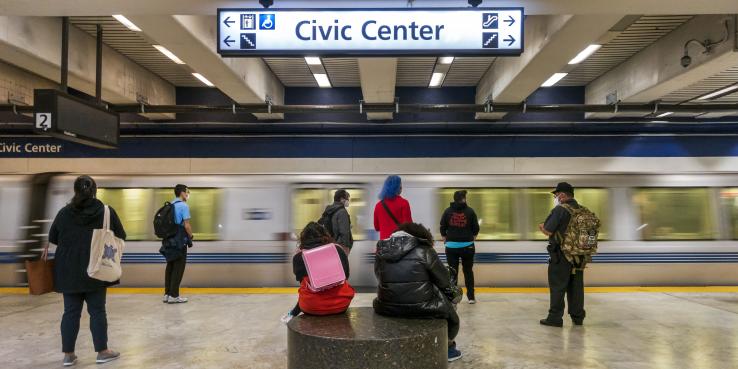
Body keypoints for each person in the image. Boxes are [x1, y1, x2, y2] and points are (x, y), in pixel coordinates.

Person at [45, 175, 125, 366]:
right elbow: (121, 235)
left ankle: (68, 355)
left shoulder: (64, 212)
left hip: (69, 270)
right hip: (96, 269)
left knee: (70, 312)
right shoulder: (106, 211)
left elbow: (53, 237)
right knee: (97, 311)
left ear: (76, 191)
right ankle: (102, 351)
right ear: (95, 190)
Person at [373, 222, 462, 362]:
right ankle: (448, 348)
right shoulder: (425, 251)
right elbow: (444, 282)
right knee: (450, 302)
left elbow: (379, 277)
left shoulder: (382, 251)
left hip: (387, 307)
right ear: (421, 236)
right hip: (423, 308)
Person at [281, 222, 355, 323]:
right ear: (326, 236)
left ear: (303, 239)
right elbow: (346, 276)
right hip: (341, 304)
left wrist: (293, 313)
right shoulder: (338, 250)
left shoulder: (298, 257)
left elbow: (303, 284)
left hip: (310, 307)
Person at [538, 182, 586, 327]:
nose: (556, 197)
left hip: (561, 256)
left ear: (563, 195)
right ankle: (578, 317)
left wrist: (541, 226)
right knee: (576, 286)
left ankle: (555, 318)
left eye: (557, 194)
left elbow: (548, 230)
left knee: (558, 286)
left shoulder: (560, 210)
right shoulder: (582, 210)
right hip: (579, 256)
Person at [440, 190, 480, 304]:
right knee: (468, 271)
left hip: (451, 247)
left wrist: (445, 239)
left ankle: (453, 298)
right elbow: (476, 228)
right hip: (468, 246)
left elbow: (442, 226)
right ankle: (471, 297)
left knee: (453, 272)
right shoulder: (470, 211)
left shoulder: (447, 211)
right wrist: (472, 238)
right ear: (463, 199)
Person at [161, 184, 193, 304]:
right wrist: (191, 236)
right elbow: (187, 225)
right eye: (187, 192)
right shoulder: (183, 206)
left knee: (170, 266)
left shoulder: (170, 205)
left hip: (169, 240)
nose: (187, 194)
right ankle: (174, 295)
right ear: (182, 193)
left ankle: (167, 294)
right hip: (179, 241)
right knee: (179, 268)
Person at [373, 175, 412, 240]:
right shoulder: (404, 203)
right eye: (400, 185)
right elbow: (408, 227)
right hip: (399, 246)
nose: (401, 187)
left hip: (384, 246)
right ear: (397, 187)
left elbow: (377, 227)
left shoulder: (378, 205)